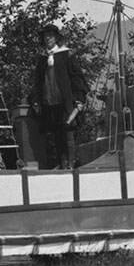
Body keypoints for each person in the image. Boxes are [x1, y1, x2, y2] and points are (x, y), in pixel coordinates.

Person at [31, 24, 87, 169]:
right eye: (45, 36)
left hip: (65, 100)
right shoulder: (42, 59)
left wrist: (78, 97)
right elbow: (38, 82)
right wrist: (36, 100)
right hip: (49, 102)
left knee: (68, 131)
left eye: (50, 35)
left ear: (56, 38)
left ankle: (71, 162)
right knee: (56, 133)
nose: (47, 38)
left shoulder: (66, 55)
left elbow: (76, 77)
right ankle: (62, 164)